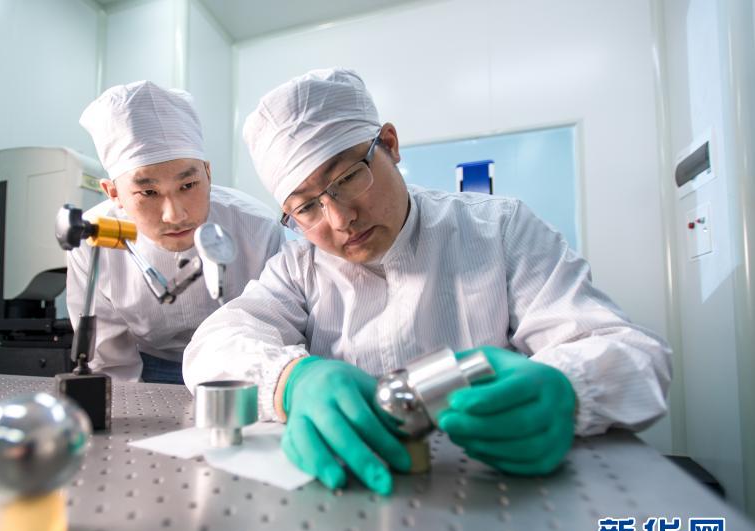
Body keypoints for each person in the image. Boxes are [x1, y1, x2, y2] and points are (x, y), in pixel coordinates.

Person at [183, 68, 671, 495]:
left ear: (390, 145)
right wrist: (292, 380)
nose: (340, 219)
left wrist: (568, 388)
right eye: (306, 207)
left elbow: (633, 352)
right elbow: (214, 344)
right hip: (356, 495)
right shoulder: (299, 266)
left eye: (348, 177)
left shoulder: (499, 229)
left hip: (492, 489)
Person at [67, 80, 284, 384]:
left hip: (242, 362)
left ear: (208, 173)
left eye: (188, 185)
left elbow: (278, 324)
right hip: (149, 365)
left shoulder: (257, 227)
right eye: (148, 193)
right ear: (113, 193)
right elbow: (111, 361)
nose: (175, 215)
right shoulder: (94, 237)